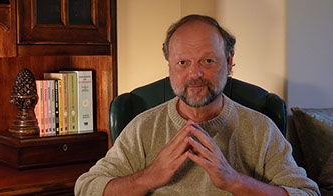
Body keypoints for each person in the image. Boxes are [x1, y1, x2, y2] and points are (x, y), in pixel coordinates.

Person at [75, 15, 320, 196]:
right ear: (169, 65)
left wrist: (234, 181)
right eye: (183, 62)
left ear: (229, 61)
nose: (195, 74)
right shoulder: (142, 128)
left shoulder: (261, 129)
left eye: (208, 60)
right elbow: (85, 188)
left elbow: (308, 193)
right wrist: (149, 177)